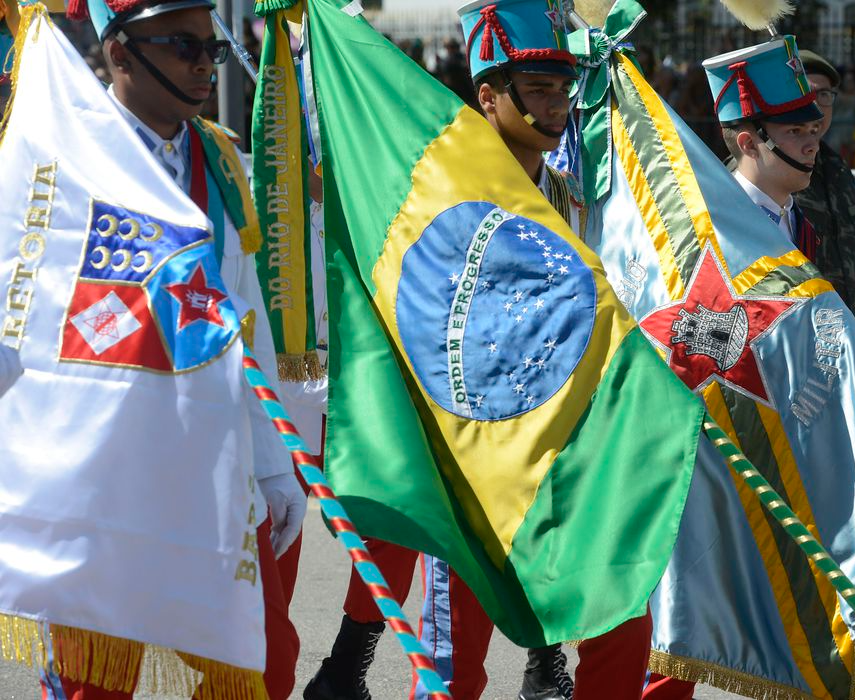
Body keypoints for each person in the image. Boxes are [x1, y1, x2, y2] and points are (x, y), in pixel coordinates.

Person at [309, 3, 649, 700]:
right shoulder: (445, 185)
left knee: (591, 595)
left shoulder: (566, 191)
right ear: (488, 97)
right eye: (539, 90)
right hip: (464, 438)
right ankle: (350, 662)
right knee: (452, 658)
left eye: (563, 89)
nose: (557, 105)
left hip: (548, 439)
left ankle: (542, 656)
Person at [53, 0, 309, 696]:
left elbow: (241, 319)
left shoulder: (222, 158)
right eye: (181, 45)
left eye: (212, 49)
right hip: (100, 475)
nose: (203, 63)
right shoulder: (59, 158)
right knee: (95, 682)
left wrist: (273, 462)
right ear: (120, 53)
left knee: (260, 667)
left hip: (214, 467)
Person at [640, 37, 855, 700]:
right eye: (796, 129)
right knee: (675, 644)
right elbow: (688, 350)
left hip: (800, 449)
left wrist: (830, 381)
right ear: (749, 139)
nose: (815, 139)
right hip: (717, 462)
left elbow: (831, 323)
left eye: (816, 125)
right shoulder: (709, 233)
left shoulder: (798, 225)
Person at [794, 49, 855, 343]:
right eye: (807, 92)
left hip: (852, 337)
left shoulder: (836, 168)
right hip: (800, 342)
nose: (817, 106)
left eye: (825, 96)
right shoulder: (762, 172)